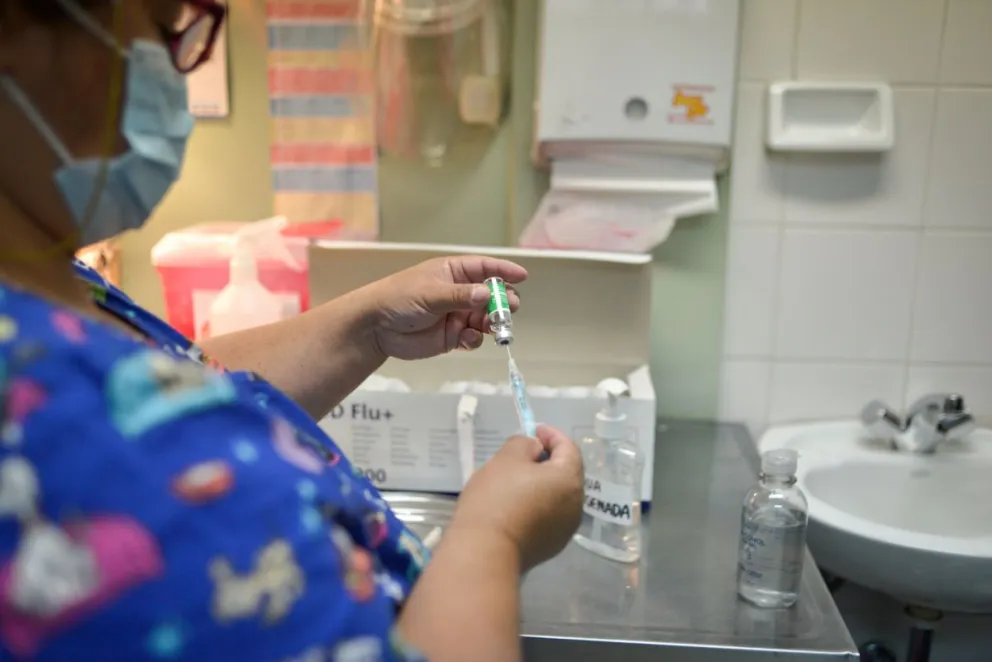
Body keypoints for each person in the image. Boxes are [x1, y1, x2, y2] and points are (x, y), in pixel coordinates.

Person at [0, 1, 585, 661]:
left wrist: (367, 325)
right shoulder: (40, 417)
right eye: (166, 29)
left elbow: (165, 394)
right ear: (15, 30)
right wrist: (494, 536)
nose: (176, 75)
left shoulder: (51, 283)